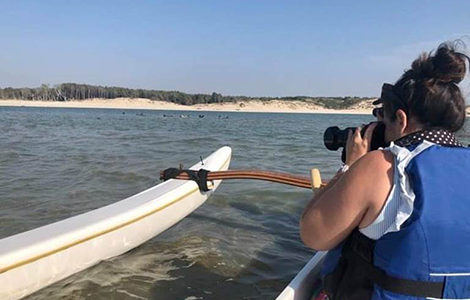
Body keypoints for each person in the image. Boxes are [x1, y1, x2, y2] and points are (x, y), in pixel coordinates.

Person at [300, 41, 470, 300]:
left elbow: (313, 235)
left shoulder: (383, 165)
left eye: (385, 122)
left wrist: (352, 166)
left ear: (401, 120)